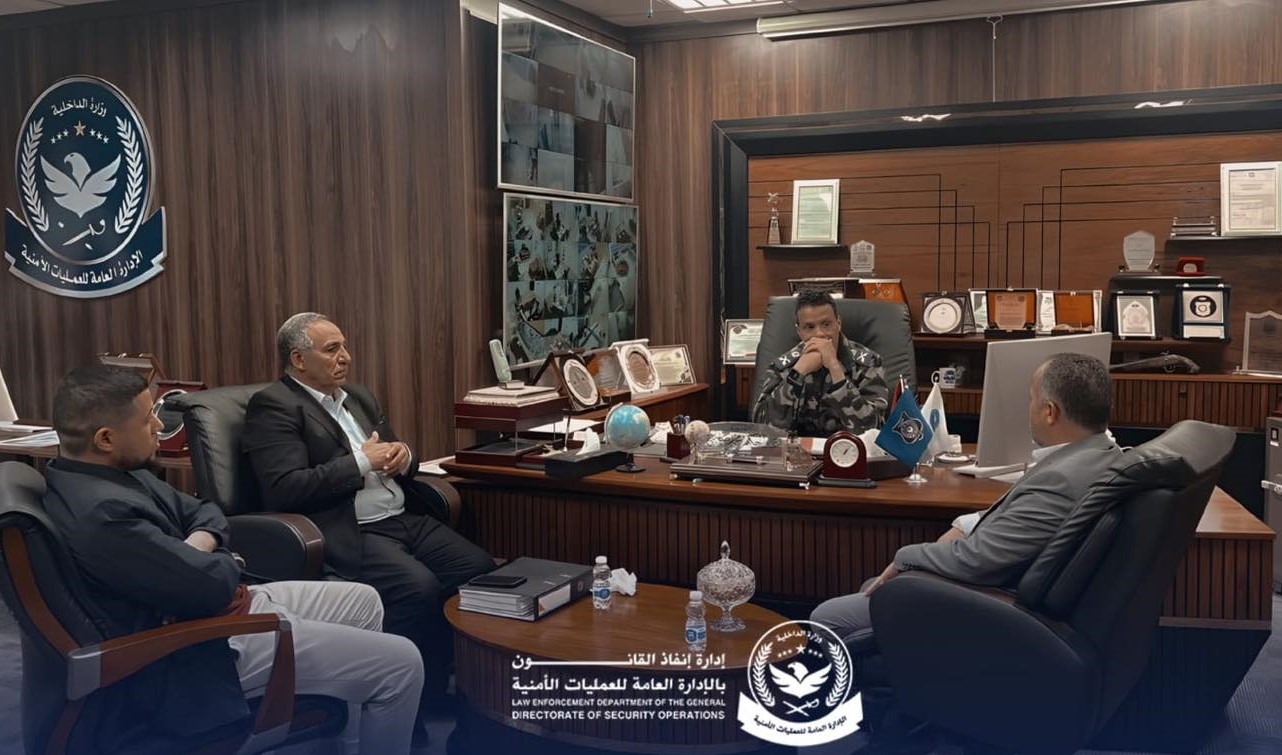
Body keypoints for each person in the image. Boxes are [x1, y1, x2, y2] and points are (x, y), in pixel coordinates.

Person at [42, 366, 423, 754]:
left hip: (224, 606)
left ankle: (348, 745)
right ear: (106, 439)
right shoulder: (104, 515)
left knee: (364, 600)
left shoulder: (116, 474)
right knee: (403, 664)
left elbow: (205, 510)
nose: (159, 426)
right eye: (146, 420)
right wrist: (227, 557)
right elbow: (211, 584)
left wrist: (201, 544)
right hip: (202, 648)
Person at [243, 312, 494, 719]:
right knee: (418, 589)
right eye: (332, 350)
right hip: (349, 529)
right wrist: (362, 462)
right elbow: (284, 486)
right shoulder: (275, 406)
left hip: (401, 515)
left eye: (344, 347)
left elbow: (391, 450)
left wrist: (403, 455)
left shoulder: (357, 396)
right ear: (299, 360)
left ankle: (447, 683)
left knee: (478, 570)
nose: (345, 357)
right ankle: (411, 705)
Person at [811, 352, 1120, 642]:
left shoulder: (1061, 479)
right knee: (873, 589)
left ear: (1050, 412)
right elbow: (1020, 524)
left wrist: (906, 556)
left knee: (826, 618)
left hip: (1001, 609)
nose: (1028, 407)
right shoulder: (1100, 455)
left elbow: (977, 561)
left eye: (1031, 399)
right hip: (1008, 593)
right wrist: (965, 525)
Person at [752, 289, 889, 435]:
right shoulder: (784, 367)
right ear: (799, 331)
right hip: (798, 448)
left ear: (838, 323)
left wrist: (835, 368)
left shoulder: (868, 364)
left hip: (847, 448)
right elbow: (761, 427)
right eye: (809, 327)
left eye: (826, 324)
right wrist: (798, 372)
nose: (819, 334)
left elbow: (874, 430)